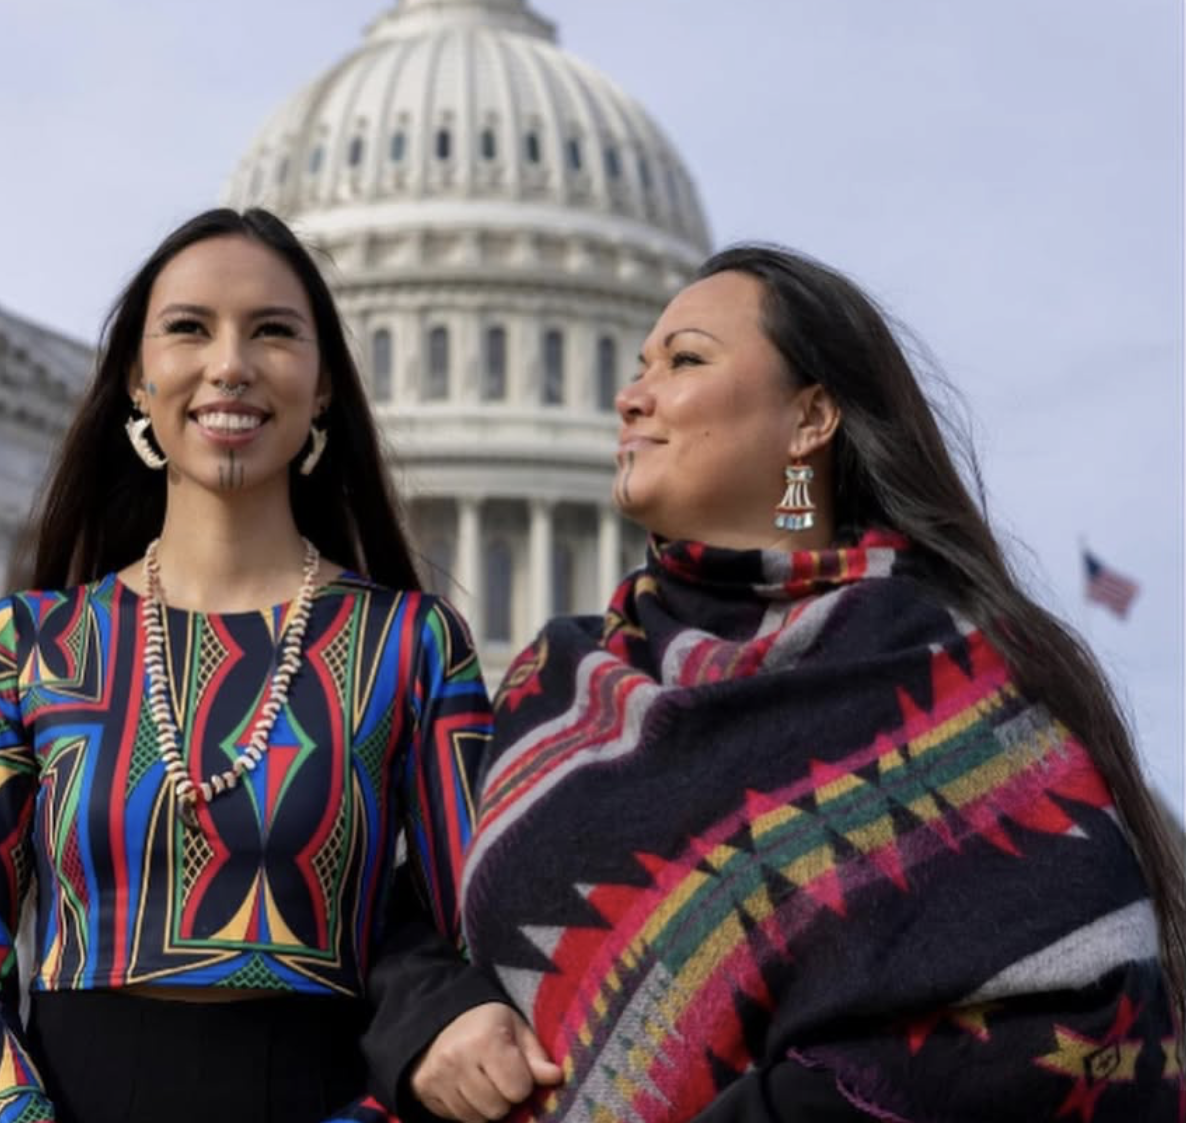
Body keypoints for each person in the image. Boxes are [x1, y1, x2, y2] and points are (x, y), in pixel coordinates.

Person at [456, 245, 1186, 1122]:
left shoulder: (956, 681)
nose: (631, 394)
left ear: (808, 419)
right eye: (638, 365)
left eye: (684, 360)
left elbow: (1075, 1022)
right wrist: (432, 1022)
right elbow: (418, 928)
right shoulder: (558, 687)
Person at [0, 207, 550, 1123]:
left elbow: (479, 941)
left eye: (273, 331)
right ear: (138, 381)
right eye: (189, 329)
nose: (230, 364)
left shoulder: (412, 646)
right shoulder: (27, 647)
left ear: (324, 382)